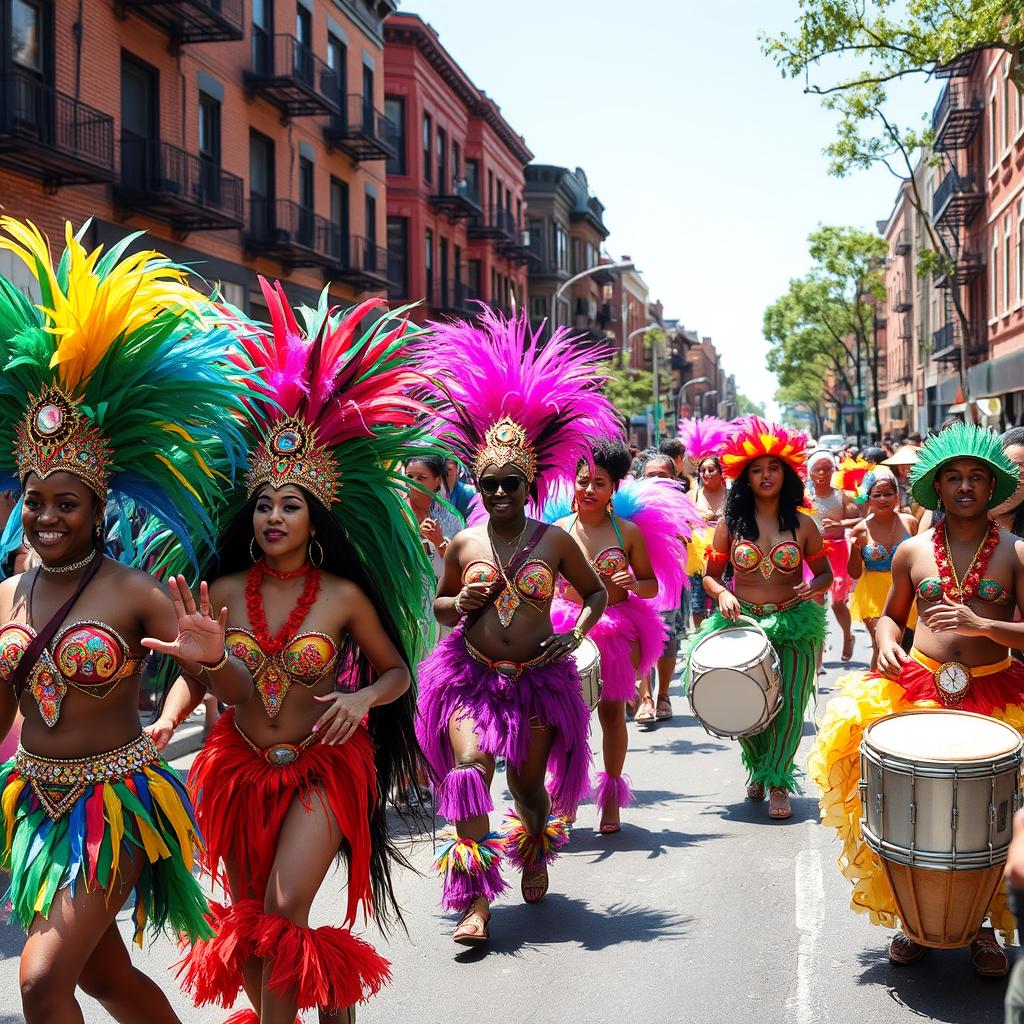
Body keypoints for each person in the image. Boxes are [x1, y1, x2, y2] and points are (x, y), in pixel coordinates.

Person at [0, 218, 255, 1023]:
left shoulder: (137, 589)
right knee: (103, 980)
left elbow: (243, 696)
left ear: (97, 506)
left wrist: (210, 659)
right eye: (34, 500)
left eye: (65, 502)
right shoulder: (6, 596)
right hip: (34, 811)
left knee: (41, 983)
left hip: (113, 806)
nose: (45, 517)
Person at [166, 280, 433, 1022]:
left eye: (291, 504)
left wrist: (360, 696)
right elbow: (197, 675)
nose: (274, 515)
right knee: (251, 924)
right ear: (249, 517)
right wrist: (170, 714)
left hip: (323, 763)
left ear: (313, 520)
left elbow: (395, 671)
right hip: (235, 765)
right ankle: (331, 997)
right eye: (264, 503)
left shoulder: (343, 594)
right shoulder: (219, 588)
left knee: (281, 911)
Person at [414, 309, 619, 945]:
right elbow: (440, 609)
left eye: (511, 483)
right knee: (471, 770)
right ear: (476, 483)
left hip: (535, 680)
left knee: (529, 788)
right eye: (489, 483)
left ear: (528, 484)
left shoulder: (554, 539)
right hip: (472, 679)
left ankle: (532, 844)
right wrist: (464, 603)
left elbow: (595, 594)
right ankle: (475, 902)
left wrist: (577, 632)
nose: (500, 492)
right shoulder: (463, 541)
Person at [809, 422, 1024, 976]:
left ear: (994, 486)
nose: (966, 487)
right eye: (953, 477)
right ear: (936, 487)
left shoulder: (1017, 554)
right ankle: (915, 919)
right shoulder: (910, 549)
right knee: (910, 811)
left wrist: (987, 625)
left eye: (978, 477)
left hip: (998, 694)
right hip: (920, 686)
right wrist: (883, 641)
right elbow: (890, 617)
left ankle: (983, 928)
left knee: (992, 819)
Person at [549, 439, 694, 831]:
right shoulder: (557, 531)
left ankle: (610, 800)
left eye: (599, 482)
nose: (590, 490)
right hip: (567, 630)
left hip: (617, 630)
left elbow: (650, 586)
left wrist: (631, 581)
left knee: (613, 714)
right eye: (583, 481)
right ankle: (565, 795)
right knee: (568, 720)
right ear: (572, 485)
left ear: (614, 488)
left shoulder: (627, 532)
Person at [690, 418, 831, 820]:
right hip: (741, 625)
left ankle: (779, 781)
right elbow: (711, 577)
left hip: (794, 622)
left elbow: (825, 573)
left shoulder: (803, 524)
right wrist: (723, 594)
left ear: (786, 474)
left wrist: (814, 586)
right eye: (757, 469)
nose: (765, 475)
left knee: (788, 707)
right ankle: (760, 765)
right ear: (745, 477)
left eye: (773, 468)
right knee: (748, 706)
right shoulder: (729, 525)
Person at [634, 452, 687, 723]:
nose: (657, 480)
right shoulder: (632, 501)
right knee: (642, 636)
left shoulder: (682, 503)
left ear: (674, 477)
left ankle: (663, 695)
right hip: (639, 577)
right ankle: (646, 698)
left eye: (662, 475)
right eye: (651, 475)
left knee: (667, 639)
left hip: (669, 580)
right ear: (642, 477)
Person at [847, 467, 918, 668]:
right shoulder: (861, 529)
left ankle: (902, 694)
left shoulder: (910, 522)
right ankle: (876, 691)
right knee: (882, 645)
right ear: (868, 498)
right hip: (873, 593)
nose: (883, 499)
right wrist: (854, 549)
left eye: (888, 494)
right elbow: (854, 573)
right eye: (877, 495)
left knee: (906, 647)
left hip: (905, 591)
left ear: (897, 496)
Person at [805, 450, 859, 661]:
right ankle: (818, 657)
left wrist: (840, 524)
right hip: (813, 553)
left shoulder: (841, 496)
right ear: (810, 473)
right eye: (819, 469)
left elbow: (859, 519)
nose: (823, 473)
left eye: (828, 468)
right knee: (816, 600)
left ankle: (847, 636)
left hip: (838, 551)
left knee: (838, 602)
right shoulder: (806, 498)